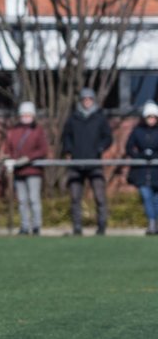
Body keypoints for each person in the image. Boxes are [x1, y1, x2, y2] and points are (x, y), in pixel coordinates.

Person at [62, 87, 112, 236]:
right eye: (84, 99)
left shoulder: (100, 118)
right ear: (81, 101)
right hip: (76, 164)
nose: (87, 102)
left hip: (94, 162)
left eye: (90, 99)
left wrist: (100, 148)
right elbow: (66, 137)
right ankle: (77, 227)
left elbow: (108, 137)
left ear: (93, 100)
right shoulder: (73, 118)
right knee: (75, 197)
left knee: (99, 196)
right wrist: (69, 150)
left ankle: (102, 226)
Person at [2, 101, 50, 235]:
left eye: (28, 114)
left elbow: (43, 149)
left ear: (33, 115)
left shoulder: (38, 130)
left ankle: (36, 226)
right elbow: (8, 148)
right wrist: (7, 158)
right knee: (22, 200)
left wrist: (28, 158)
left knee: (34, 199)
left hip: (33, 170)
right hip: (18, 170)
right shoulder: (13, 130)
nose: (26, 116)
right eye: (24, 114)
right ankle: (24, 226)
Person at [125, 101, 158, 235]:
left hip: (157, 171)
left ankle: (156, 223)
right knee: (146, 196)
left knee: (156, 200)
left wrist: (154, 155)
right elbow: (129, 147)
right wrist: (140, 155)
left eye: (154, 117)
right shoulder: (137, 131)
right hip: (142, 171)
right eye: (149, 117)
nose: (151, 119)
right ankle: (151, 223)